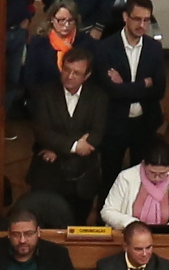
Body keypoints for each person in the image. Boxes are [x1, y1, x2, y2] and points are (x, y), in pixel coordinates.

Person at [25, 40, 116, 210]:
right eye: (66, 70)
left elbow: (97, 133)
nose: (70, 76)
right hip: (49, 178)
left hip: (83, 179)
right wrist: (75, 146)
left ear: (87, 76)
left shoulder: (98, 98)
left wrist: (56, 148)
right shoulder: (44, 95)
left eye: (77, 72)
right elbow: (42, 132)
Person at [99, 0, 169, 170]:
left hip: (144, 124)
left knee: (142, 177)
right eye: (137, 19)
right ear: (125, 17)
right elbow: (110, 91)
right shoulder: (105, 48)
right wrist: (143, 84)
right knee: (110, 177)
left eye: (147, 20)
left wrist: (124, 86)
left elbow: (159, 90)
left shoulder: (154, 48)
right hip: (114, 124)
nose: (142, 25)